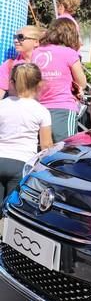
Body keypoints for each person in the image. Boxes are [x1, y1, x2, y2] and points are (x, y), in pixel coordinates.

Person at [0, 63, 52, 199]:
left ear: (11, 82)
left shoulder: (1, 106)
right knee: (11, 209)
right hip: (22, 162)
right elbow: (46, 146)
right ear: (39, 84)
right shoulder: (42, 111)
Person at [32, 18, 87, 142]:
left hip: (38, 107)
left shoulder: (36, 52)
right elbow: (82, 82)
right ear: (71, 34)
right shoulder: (69, 53)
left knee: (40, 150)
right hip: (63, 107)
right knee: (66, 149)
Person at [0, 26, 45, 99]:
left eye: (20, 37)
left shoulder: (48, 62)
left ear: (36, 42)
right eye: (15, 37)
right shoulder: (9, 65)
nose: (15, 40)